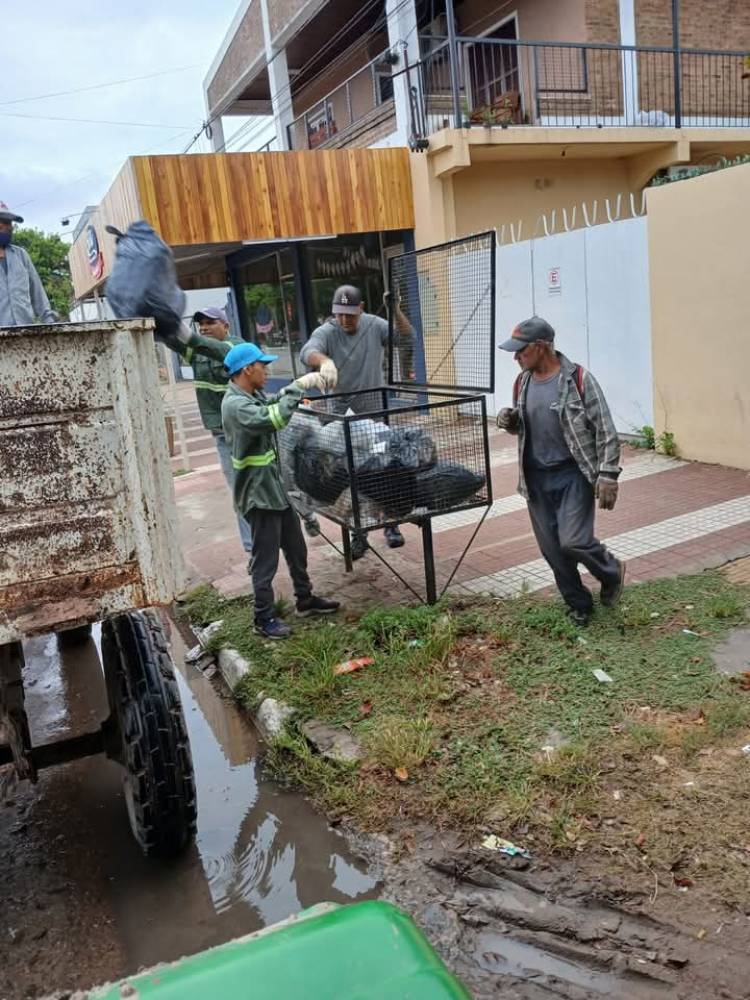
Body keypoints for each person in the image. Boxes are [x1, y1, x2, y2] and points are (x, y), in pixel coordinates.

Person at [496, 317, 625, 626]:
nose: (516, 357)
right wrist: (513, 422)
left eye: (521, 351)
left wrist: (608, 475)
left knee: (574, 541)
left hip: (572, 476)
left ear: (541, 347)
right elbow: (527, 427)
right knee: (553, 551)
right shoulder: (522, 382)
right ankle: (579, 605)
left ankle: (610, 571)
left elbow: (606, 430)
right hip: (535, 479)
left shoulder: (578, 379)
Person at [221, 342, 340, 640]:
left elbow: (273, 402)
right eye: (263, 365)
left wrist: (294, 394)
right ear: (247, 369)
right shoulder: (235, 405)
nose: (267, 370)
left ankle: (305, 600)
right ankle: (263, 618)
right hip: (258, 495)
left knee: (296, 547)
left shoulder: (250, 394)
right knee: (266, 559)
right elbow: (272, 418)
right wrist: (300, 385)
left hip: (273, 488)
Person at [299, 284, 414, 560]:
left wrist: (395, 309)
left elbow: (406, 339)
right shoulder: (327, 331)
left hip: (374, 413)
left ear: (361, 309)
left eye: (350, 314)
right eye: (339, 314)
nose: (344, 320)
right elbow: (308, 351)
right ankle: (357, 532)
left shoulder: (374, 325)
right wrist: (324, 361)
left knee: (385, 471)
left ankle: (391, 525)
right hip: (341, 419)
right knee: (348, 476)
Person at [176, 307, 254, 564]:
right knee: (239, 493)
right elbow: (173, 340)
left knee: (266, 487)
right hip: (223, 437)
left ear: (227, 326)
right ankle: (252, 549)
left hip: (249, 434)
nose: (205, 328)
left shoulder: (237, 348)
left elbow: (218, 352)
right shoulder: (197, 353)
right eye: (201, 325)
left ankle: (295, 526)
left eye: (211, 322)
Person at [0, 201, 58, 326]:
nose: (9, 227)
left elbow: (37, 292)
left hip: (25, 335)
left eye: (10, 223)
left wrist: (49, 322)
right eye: (4, 222)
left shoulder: (21, 255)